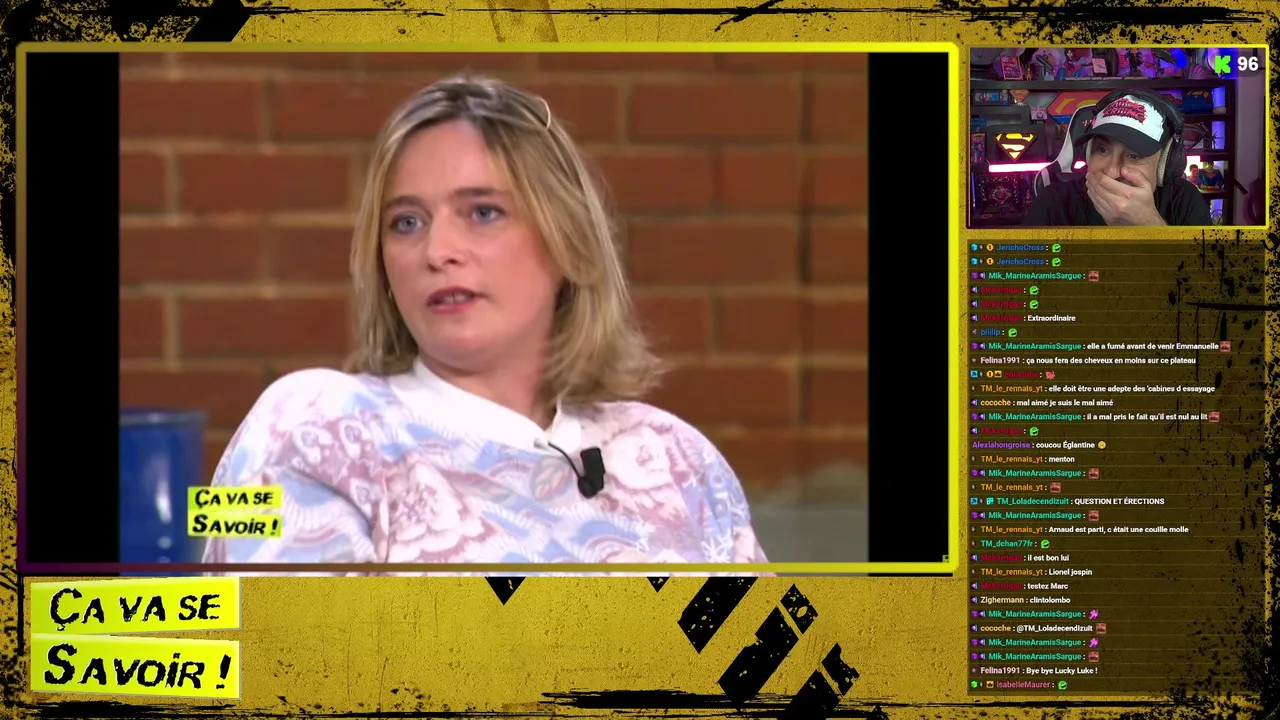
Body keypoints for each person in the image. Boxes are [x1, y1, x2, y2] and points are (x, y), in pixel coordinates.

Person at [200, 75, 768, 572]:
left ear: (567, 242)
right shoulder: (313, 428)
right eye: (407, 222)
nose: (437, 251)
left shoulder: (675, 457)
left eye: (483, 212)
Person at [1022, 90, 1213, 226]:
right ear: (1087, 153)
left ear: (1165, 164)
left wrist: (1149, 225)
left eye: (1134, 155)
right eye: (1102, 150)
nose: (1112, 172)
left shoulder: (1184, 201)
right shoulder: (1052, 203)